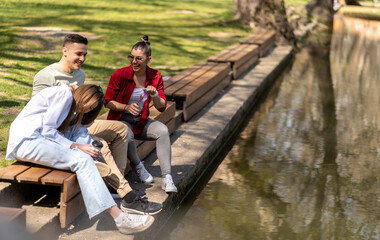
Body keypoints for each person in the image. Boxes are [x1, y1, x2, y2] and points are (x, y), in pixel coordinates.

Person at [32, 34, 161, 215]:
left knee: (121, 129)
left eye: (85, 54)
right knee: (101, 144)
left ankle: (115, 185)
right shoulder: (46, 76)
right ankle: (125, 194)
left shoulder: (80, 74)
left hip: (77, 124)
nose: (82, 59)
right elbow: (36, 112)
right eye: (78, 54)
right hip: (57, 131)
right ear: (65, 51)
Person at [6, 84, 153, 234]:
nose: (86, 110)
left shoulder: (69, 98)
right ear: (82, 94)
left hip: (38, 140)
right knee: (82, 160)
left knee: (80, 131)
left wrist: (79, 144)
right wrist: (76, 146)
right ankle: (121, 219)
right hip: (28, 142)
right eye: (88, 105)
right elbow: (48, 131)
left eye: (90, 109)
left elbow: (56, 130)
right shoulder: (65, 94)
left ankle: (94, 163)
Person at [105, 35, 177, 193]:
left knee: (163, 131)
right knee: (126, 133)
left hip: (141, 121)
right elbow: (107, 101)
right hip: (120, 119)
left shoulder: (155, 76)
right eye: (131, 57)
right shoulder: (120, 75)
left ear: (148, 59)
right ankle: (139, 166)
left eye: (139, 58)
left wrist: (155, 95)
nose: (134, 62)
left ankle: (167, 178)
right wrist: (125, 107)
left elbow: (162, 107)